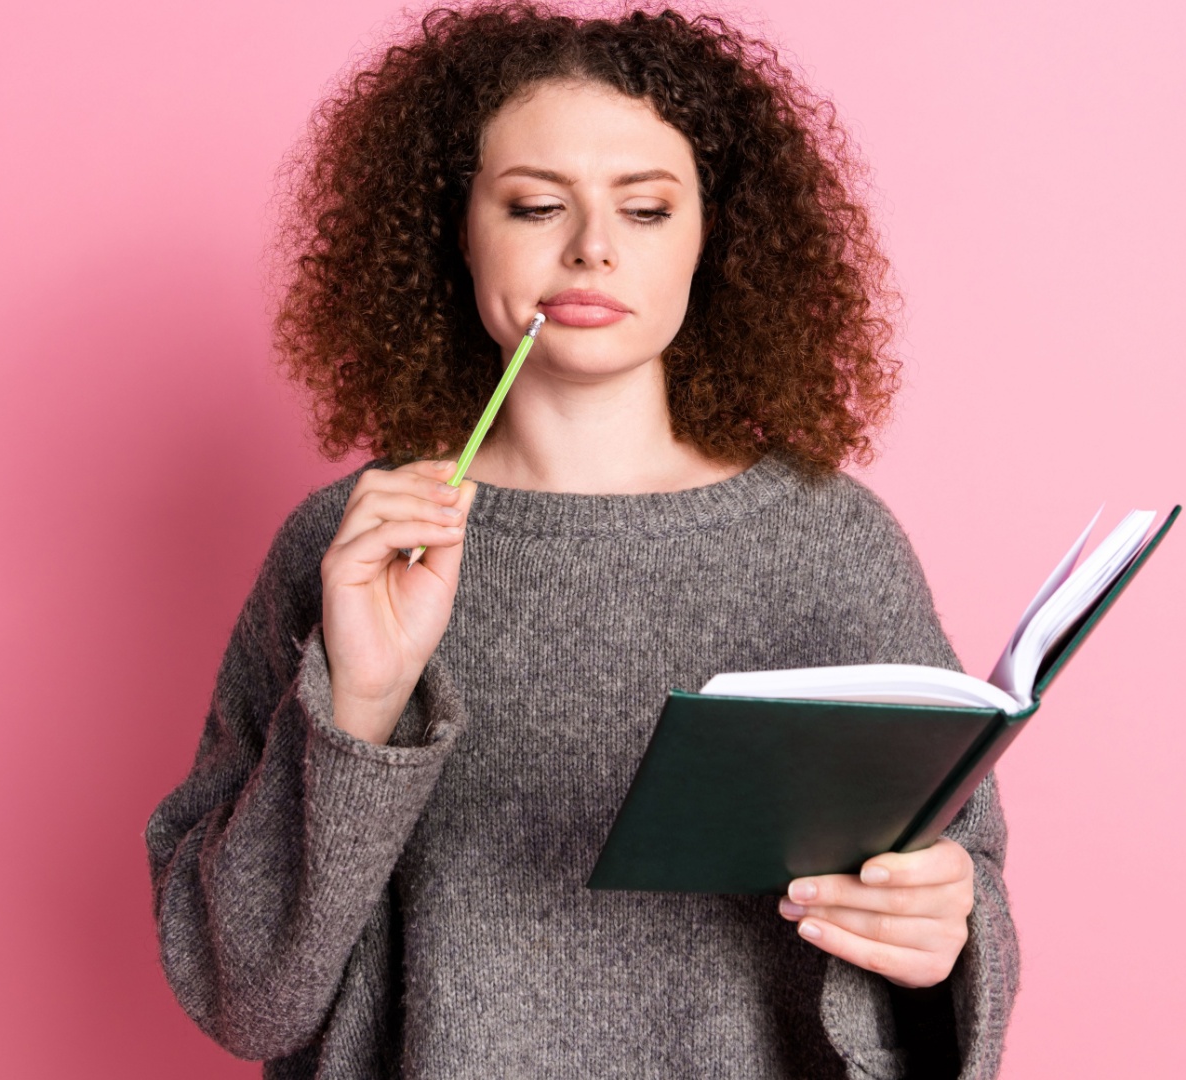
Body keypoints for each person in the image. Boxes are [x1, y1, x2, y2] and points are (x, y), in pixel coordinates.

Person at [146, 4, 1019, 1077]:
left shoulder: (831, 543)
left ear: (714, 237)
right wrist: (362, 708)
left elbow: (957, 914)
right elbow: (245, 995)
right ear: (457, 228)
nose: (591, 247)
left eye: (647, 209)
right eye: (535, 204)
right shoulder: (347, 549)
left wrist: (944, 933)